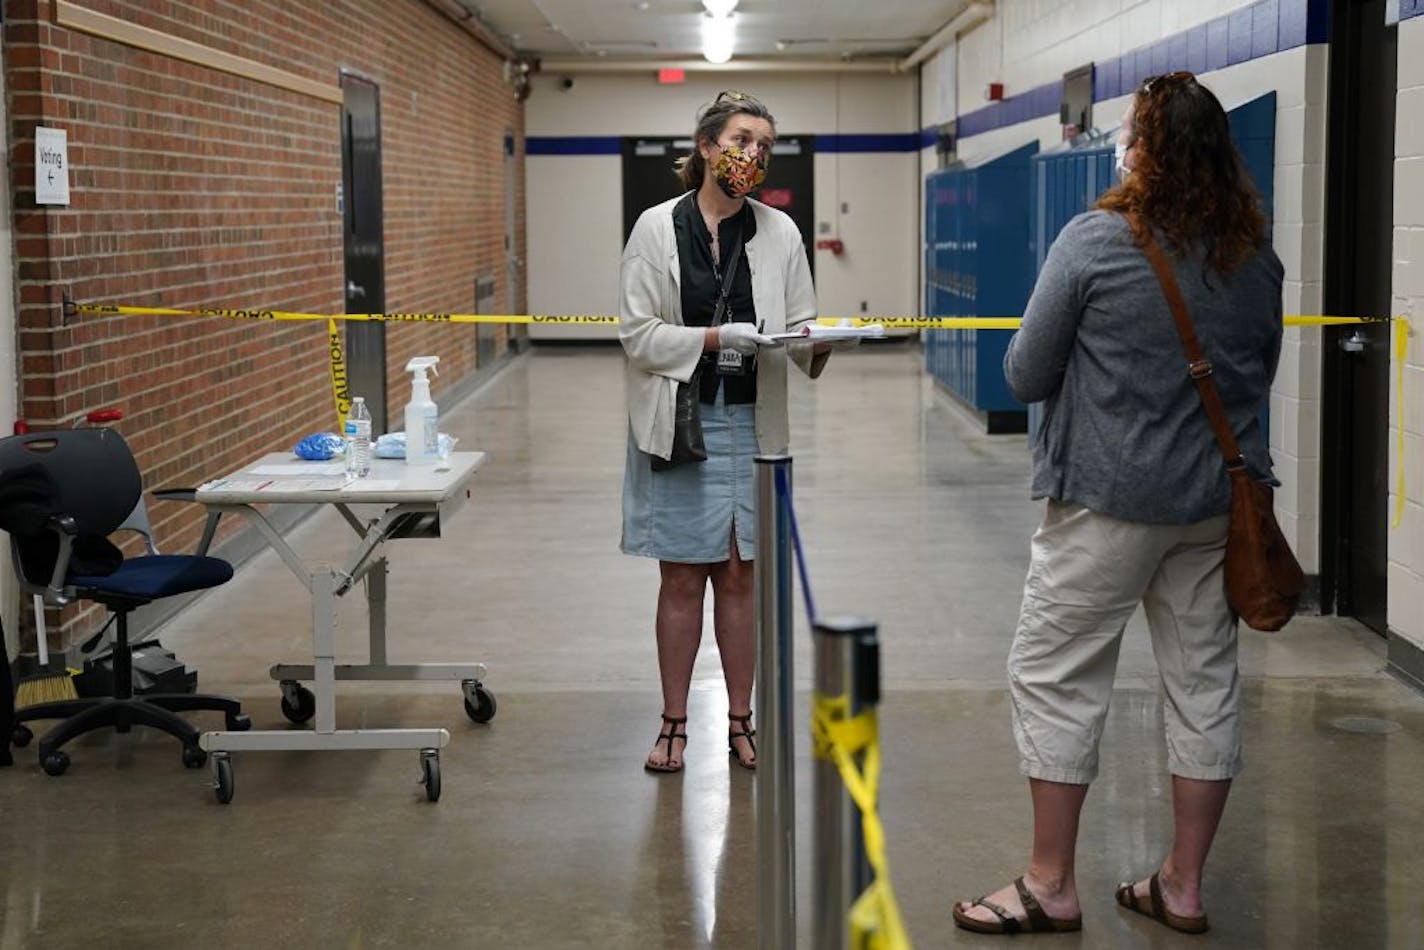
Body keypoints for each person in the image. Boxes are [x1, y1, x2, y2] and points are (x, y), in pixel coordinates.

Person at [952, 72, 1284, 935]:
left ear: (1147, 152)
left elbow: (1024, 372)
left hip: (1106, 501)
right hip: (1214, 507)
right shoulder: (1256, 255)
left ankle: (1049, 883)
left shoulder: (1095, 241)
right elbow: (1256, 375)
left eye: (1133, 134)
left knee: (1058, 677)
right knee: (1203, 686)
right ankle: (1182, 884)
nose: (1125, 147)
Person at [619, 90, 838, 774]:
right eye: (743, 139)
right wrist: (714, 338)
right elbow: (638, 336)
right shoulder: (656, 229)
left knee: (741, 579)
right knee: (682, 578)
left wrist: (825, 342)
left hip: (753, 426)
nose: (754, 154)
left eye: (765, 146)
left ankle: (741, 723)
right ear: (708, 146)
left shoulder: (780, 234)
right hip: (683, 425)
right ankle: (674, 725)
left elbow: (801, 331)